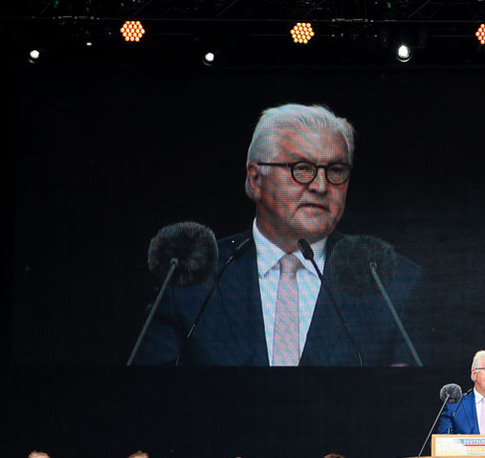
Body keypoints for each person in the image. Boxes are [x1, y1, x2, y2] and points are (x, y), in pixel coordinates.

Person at [132, 103, 426, 367]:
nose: (321, 186)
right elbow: (146, 402)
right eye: (302, 168)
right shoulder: (190, 277)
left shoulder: (390, 281)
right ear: (256, 179)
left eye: (336, 170)